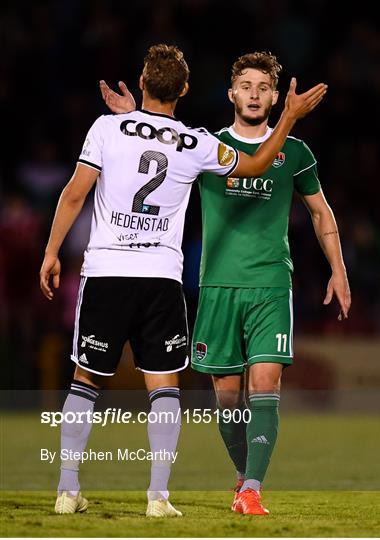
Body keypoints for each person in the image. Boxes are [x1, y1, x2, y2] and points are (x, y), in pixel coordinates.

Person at [40, 44, 326, 517]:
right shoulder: (196, 143)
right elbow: (254, 166)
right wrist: (290, 118)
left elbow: (73, 195)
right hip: (160, 278)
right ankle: (158, 497)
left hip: (107, 272)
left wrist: (52, 252)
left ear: (143, 82)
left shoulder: (107, 127)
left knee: (85, 381)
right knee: (165, 389)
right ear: (186, 90)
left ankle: (68, 489)